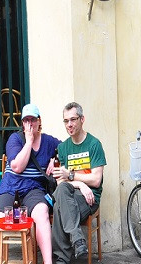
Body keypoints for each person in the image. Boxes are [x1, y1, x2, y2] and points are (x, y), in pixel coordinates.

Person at [0, 104, 60, 264]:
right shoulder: (15, 139)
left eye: (33, 120)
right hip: (11, 187)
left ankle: (48, 262)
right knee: (1, 219)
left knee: (42, 212)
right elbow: (17, 167)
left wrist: (56, 159)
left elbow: (67, 149)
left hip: (34, 189)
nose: (30, 124)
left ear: (39, 121)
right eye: (26, 120)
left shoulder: (48, 141)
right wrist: (29, 142)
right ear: (22, 123)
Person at [52, 102, 106, 263]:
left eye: (73, 119)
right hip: (71, 193)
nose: (69, 124)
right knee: (62, 194)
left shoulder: (94, 144)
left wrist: (70, 176)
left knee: (58, 207)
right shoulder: (63, 148)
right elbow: (60, 183)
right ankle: (78, 241)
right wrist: (80, 184)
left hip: (89, 198)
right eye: (66, 121)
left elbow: (96, 180)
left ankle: (62, 259)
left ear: (82, 119)